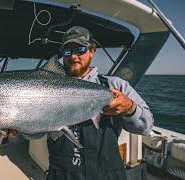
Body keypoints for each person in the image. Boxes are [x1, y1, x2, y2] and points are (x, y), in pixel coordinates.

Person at [10, 26, 154, 180]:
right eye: (67, 51)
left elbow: (146, 127)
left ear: (92, 50)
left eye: (80, 49)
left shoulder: (116, 85)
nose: (73, 56)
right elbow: (37, 134)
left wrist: (130, 108)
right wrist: (22, 126)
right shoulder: (45, 90)